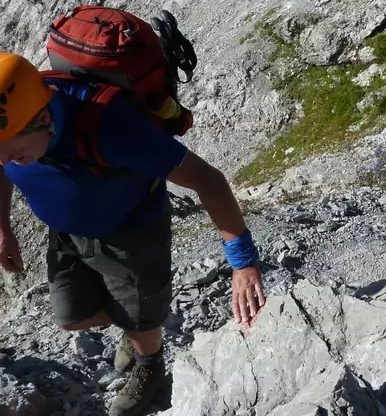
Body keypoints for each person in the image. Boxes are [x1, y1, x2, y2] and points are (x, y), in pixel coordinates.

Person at [0, 53, 266, 416]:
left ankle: (149, 362)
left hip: (131, 234)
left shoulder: (111, 128)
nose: (6, 162)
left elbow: (210, 181)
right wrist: (2, 224)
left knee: (141, 319)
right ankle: (136, 319)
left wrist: (243, 263)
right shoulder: (14, 126)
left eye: (14, 154)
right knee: (70, 317)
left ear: (43, 119)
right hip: (66, 232)